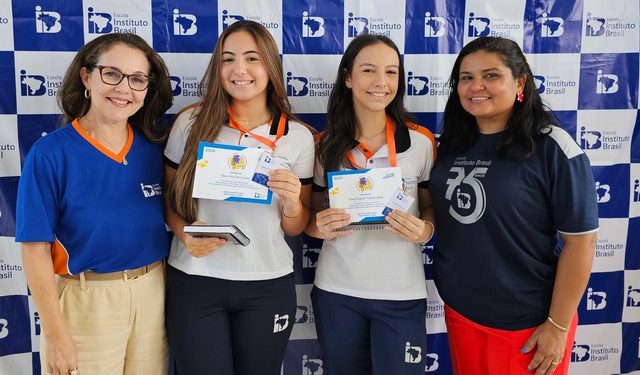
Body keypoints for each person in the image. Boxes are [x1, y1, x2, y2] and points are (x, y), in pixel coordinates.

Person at [430, 36, 598, 375]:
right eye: (466, 77)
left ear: (520, 82)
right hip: (461, 311)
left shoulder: (552, 147)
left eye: (491, 75)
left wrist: (558, 326)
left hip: (528, 324)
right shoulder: (450, 145)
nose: (476, 86)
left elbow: (582, 241)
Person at [15, 33, 174, 375]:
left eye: (137, 79)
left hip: (154, 292)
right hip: (87, 301)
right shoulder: (51, 154)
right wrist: (55, 333)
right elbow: (34, 249)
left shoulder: (153, 147)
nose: (124, 88)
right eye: (112, 74)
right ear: (87, 77)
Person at [163, 20, 315, 375]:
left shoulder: (297, 136)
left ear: (270, 66)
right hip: (196, 278)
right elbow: (169, 200)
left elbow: (296, 227)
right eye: (228, 59)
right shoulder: (190, 122)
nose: (239, 69)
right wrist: (185, 234)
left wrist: (292, 203)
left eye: (252, 58)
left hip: (267, 283)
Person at [305, 34, 437, 374]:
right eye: (368, 70)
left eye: (391, 72)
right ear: (348, 78)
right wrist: (318, 227)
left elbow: (430, 209)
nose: (381, 82)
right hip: (337, 291)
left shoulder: (421, 142)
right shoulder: (323, 145)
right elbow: (309, 218)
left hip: (401, 293)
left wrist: (425, 231)